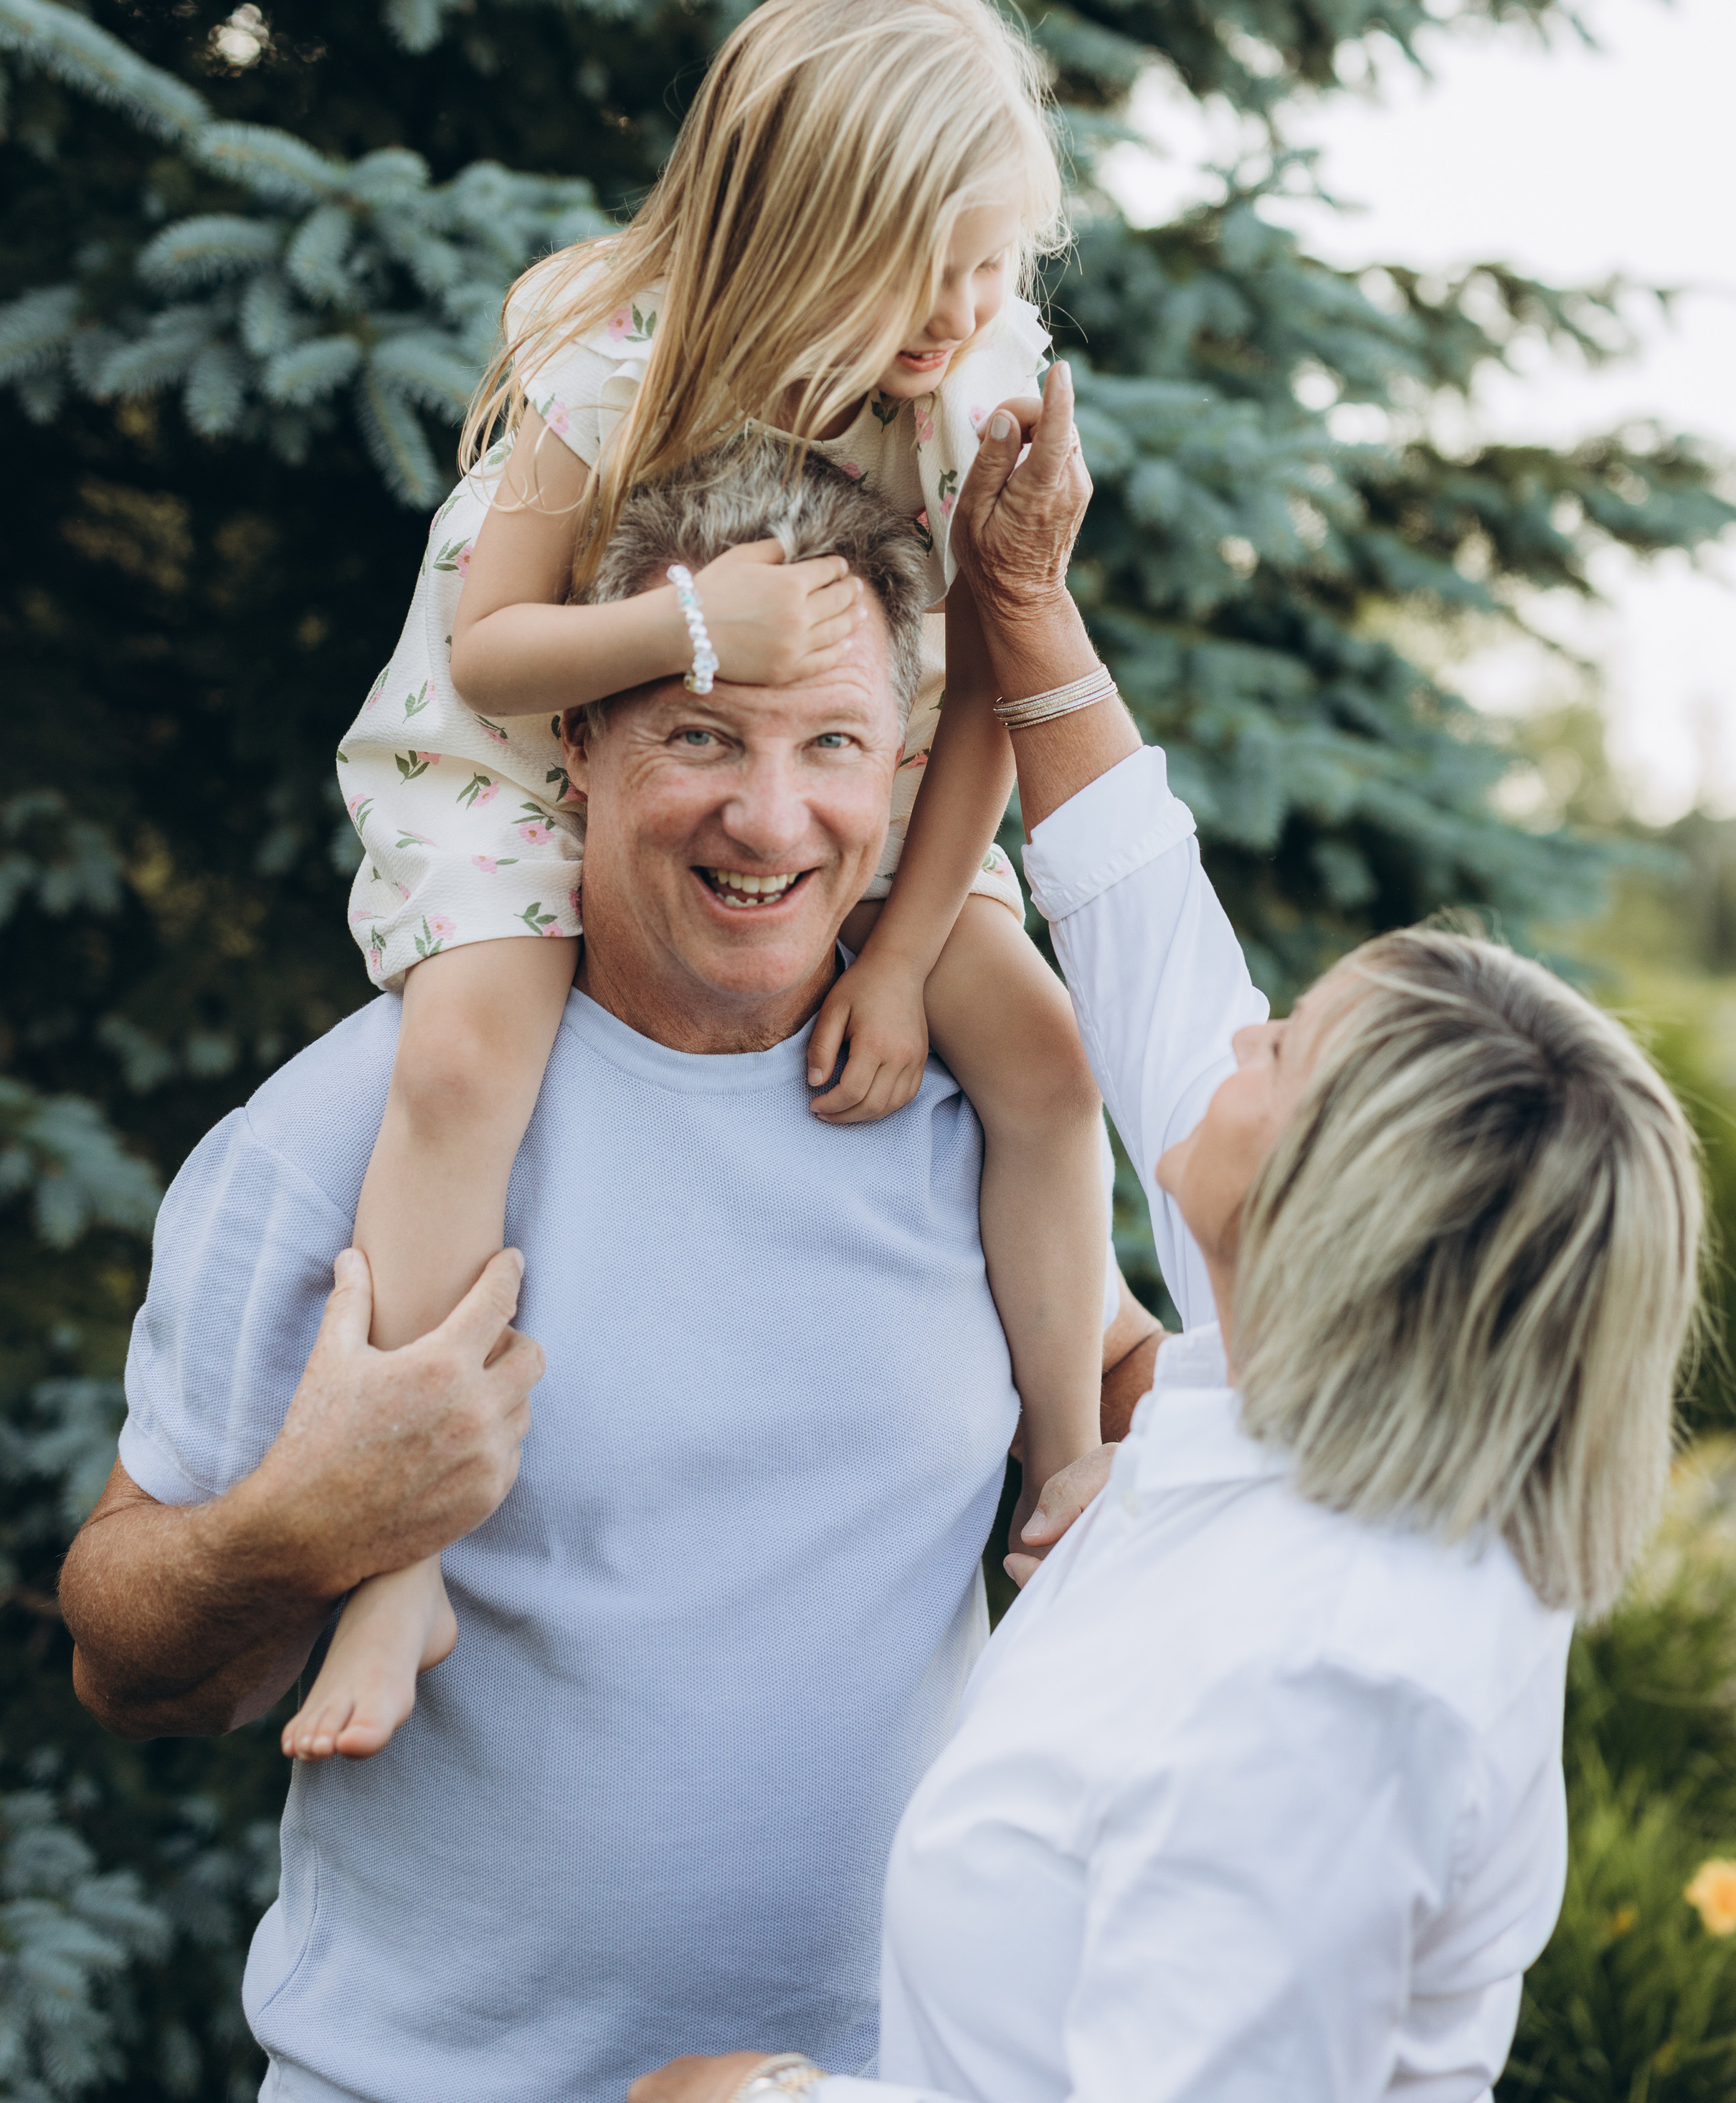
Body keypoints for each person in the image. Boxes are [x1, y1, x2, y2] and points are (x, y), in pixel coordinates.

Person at [635, 363, 1707, 2103]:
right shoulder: (1305, 1403)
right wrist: (1026, 599)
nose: (1240, 1034)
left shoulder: (1334, 1687)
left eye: (1286, 1051)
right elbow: (1147, 932)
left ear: (1340, 1215)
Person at [58, 442, 1167, 2103]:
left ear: (903, 767)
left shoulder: (968, 1120)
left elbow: (1116, 1401)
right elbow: (119, 1655)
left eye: (834, 746)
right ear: (577, 739)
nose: (770, 817)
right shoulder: (361, 1123)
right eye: (702, 735)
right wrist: (312, 1524)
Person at [309, 0, 1110, 1762]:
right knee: (462, 1058)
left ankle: (1063, 1476)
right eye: (935, 265)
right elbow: (492, 654)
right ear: (807, 224)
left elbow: (982, 686)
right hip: (537, 754)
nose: (973, 305)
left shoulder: (970, 386)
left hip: (869, 770)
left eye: (1000, 263)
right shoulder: (614, 370)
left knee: (1046, 1060)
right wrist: (688, 629)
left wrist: (902, 958)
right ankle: (397, 1556)